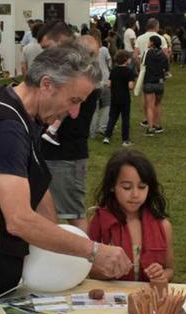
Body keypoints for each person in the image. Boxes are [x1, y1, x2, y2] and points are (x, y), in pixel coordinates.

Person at [0, 43, 131, 312]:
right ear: (47, 85)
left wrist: (62, 255)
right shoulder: (5, 129)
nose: (74, 113)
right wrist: (93, 250)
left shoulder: (25, 115)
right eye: (73, 101)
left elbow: (38, 190)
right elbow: (19, 219)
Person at [43, 36, 102, 232]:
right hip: (58, 154)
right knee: (51, 212)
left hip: (68, 155)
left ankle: (85, 259)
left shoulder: (86, 84)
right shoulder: (75, 80)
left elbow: (74, 117)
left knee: (72, 213)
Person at [88, 150, 173, 283]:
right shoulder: (99, 222)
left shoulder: (163, 226)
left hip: (147, 300)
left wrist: (161, 276)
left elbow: (170, 269)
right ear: (112, 186)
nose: (135, 194)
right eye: (127, 187)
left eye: (142, 187)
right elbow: (89, 270)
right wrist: (107, 272)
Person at [102, 50, 135, 146]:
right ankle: (125, 140)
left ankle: (107, 136)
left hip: (114, 98)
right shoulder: (129, 72)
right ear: (126, 60)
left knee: (112, 117)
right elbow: (130, 86)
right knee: (125, 119)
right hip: (125, 99)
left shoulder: (113, 71)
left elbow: (108, 84)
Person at [142, 35, 169, 137]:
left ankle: (150, 127)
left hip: (149, 81)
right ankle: (157, 125)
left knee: (150, 105)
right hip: (159, 82)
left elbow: (142, 65)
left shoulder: (147, 53)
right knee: (157, 104)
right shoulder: (163, 55)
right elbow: (166, 69)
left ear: (152, 43)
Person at [90, 30, 113, 138]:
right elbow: (110, 64)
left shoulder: (86, 52)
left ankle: (92, 131)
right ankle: (103, 127)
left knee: (93, 108)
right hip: (105, 81)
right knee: (107, 106)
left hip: (92, 82)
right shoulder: (104, 50)